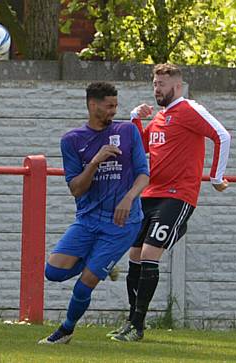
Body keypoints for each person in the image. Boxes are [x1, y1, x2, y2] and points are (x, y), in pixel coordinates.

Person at [109, 64, 231, 342]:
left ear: (176, 85)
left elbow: (222, 135)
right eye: (154, 84)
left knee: (150, 254)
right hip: (150, 196)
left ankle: (138, 328)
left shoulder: (189, 110)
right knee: (135, 257)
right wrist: (134, 119)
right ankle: (131, 322)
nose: (156, 89)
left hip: (177, 196)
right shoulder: (162, 117)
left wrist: (216, 176)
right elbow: (143, 146)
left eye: (161, 84)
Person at [38, 82, 149, 344]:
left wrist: (129, 198)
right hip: (88, 219)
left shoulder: (128, 132)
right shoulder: (72, 140)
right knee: (53, 272)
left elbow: (144, 174)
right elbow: (76, 189)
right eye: (109, 106)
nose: (114, 110)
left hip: (123, 222)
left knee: (84, 283)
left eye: (115, 105)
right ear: (93, 105)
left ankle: (65, 331)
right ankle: (100, 264)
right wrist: (95, 162)